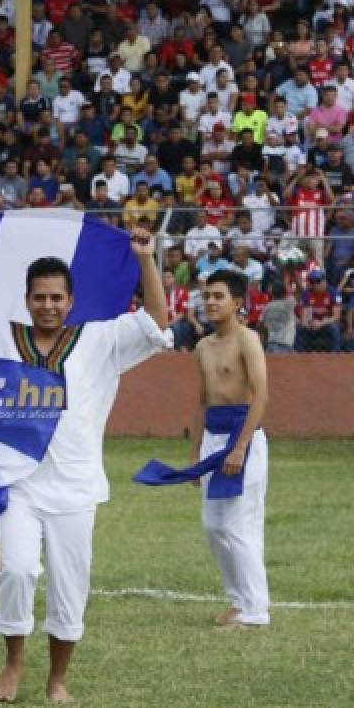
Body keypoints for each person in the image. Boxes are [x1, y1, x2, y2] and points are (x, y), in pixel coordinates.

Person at [0, 221, 169, 705]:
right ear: (27, 299)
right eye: (40, 297)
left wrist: (146, 260)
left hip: (76, 488)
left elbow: (156, 323)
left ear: (70, 301)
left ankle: (58, 677)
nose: (49, 305)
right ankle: (13, 659)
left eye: (57, 297)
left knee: (70, 587)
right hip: (18, 486)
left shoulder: (101, 341)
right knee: (16, 571)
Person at [134, 270, 270, 629]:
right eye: (207, 295)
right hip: (213, 437)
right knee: (213, 524)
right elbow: (202, 402)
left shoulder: (248, 340)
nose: (210, 302)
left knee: (240, 524)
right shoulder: (202, 347)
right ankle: (239, 600)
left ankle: (256, 610)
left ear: (238, 303)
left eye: (218, 296)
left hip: (243, 436)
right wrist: (195, 454)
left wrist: (240, 446)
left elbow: (260, 395)